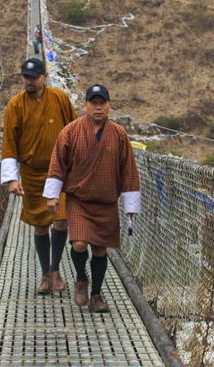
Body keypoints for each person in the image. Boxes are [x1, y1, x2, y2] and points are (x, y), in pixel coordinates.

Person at [44, 84, 140, 313]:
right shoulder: (70, 131)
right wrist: (52, 195)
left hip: (106, 202)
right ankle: (80, 277)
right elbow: (58, 163)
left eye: (102, 103)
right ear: (85, 105)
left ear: (109, 106)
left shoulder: (119, 135)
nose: (98, 108)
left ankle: (96, 294)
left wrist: (130, 204)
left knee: (100, 250)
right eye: (93, 103)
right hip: (79, 199)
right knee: (78, 243)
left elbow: (128, 170)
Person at [2, 57, 78, 294]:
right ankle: (45, 274)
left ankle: (55, 269)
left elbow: (75, 131)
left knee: (61, 219)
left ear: (45, 77)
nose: (30, 81)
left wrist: (80, 166)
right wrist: (12, 178)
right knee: (39, 225)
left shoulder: (60, 99)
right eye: (26, 77)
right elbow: (9, 143)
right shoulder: (15, 105)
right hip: (32, 174)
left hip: (60, 171)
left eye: (34, 77)